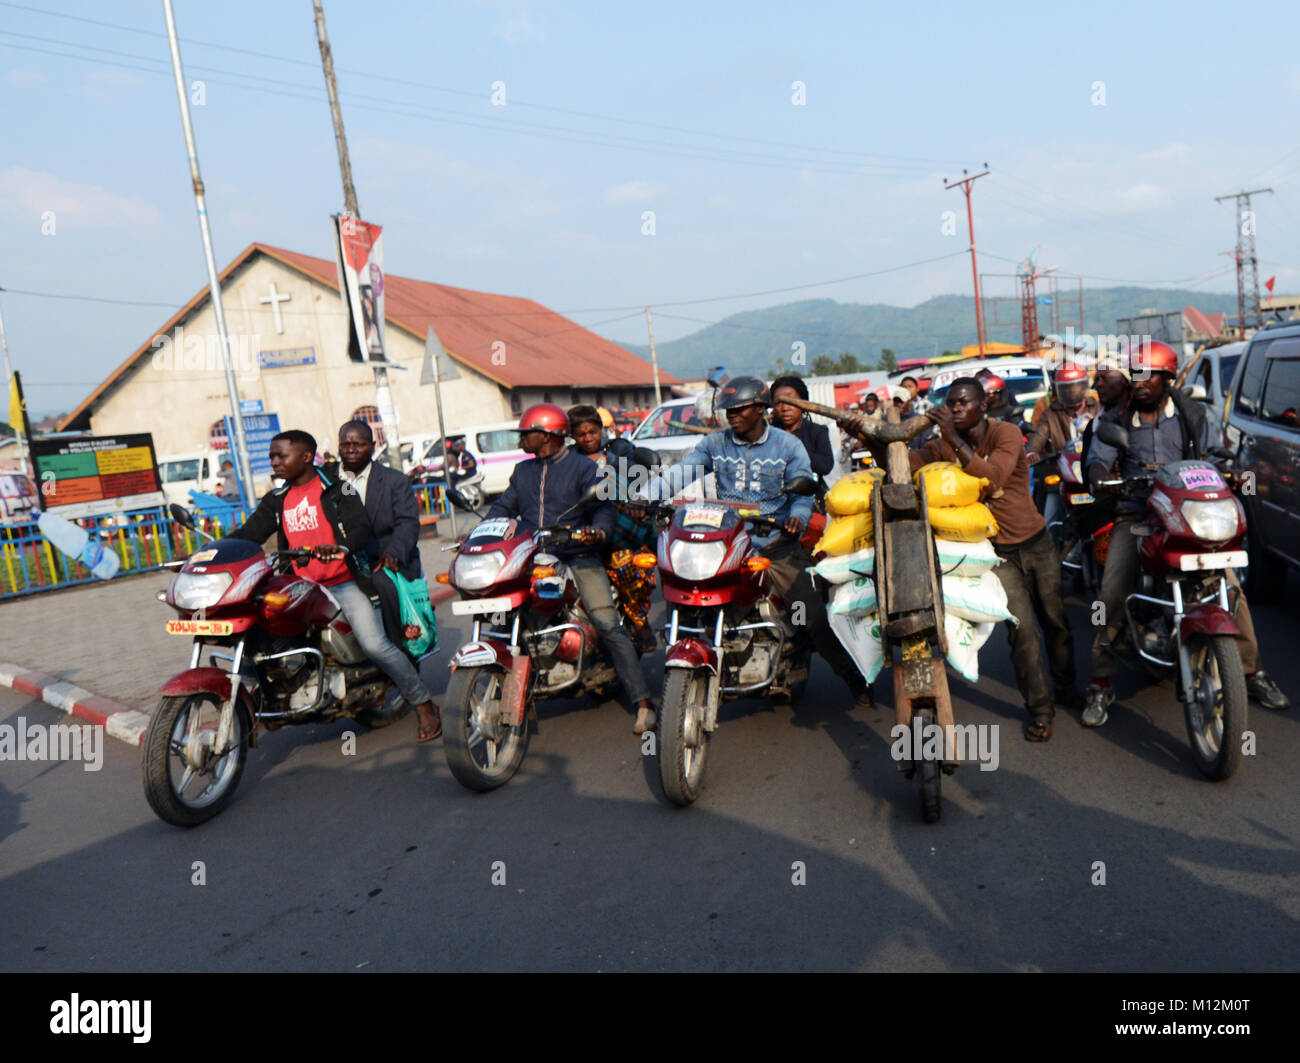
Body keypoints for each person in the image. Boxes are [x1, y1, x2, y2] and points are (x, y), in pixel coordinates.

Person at [851, 377, 1079, 741]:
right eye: (951, 404)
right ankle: (1040, 708)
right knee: (1022, 631)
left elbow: (992, 478)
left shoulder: (1005, 434)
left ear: (982, 405)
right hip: (996, 555)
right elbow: (906, 466)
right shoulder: (942, 445)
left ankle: (1067, 687)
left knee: (1056, 622)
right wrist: (868, 439)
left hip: (1035, 543)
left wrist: (953, 440)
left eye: (963, 403)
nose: (955, 409)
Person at [1082, 341, 1289, 724]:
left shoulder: (1193, 414)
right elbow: (1099, 458)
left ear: (1168, 377)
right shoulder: (1116, 420)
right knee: (1109, 594)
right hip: (1138, 515)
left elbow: (1214, 455)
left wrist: (1230, 471)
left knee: (1231, 589)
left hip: (1188, 513)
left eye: (1149, 376)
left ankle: (1252, 671)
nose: (1139, 383)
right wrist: (1098, 476)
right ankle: (1099, 683)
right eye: (1136, 375)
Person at [644, 376, 874, 710]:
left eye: (739, 409)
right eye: (728, 409)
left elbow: (804, 483)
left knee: (813, 617)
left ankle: (852, 677)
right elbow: (682, 472)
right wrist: (645, 496)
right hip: (728, 542)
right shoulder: (715, 444)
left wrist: (797, 514)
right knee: (686, 587)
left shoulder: (787, 445)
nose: (731, 415)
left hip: (776, 544)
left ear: (760, 408)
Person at [231, 430, 443, 739]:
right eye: (272, 457)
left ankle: (423, 704)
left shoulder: (337, 489)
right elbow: (249, 533)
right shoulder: (276, 499)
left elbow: (360, 527)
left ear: (305, 457)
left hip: (341, 581)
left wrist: (342, 548)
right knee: (263, 632)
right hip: (299, 584)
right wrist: (209, 553)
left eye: (281, 456)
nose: (274, 462)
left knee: (374, 644)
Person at [476, 404, 659, 734]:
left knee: (606, 622)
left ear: (545, 435)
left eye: (525, 433)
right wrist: (478, 531)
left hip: (578, 555)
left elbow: (602, 506)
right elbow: (505, 506)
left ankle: (643, 702)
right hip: (534, 557)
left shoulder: (582, 468)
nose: (521, 439)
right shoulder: (523, 472)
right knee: (511, 612)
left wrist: (598, 531)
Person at [326, 420, 443, 743]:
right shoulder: (326, 480)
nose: (351, 450)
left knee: (380, 639)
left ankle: (422, 703)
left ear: (372, 447)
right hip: (337, 565)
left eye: (359, 444)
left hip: (383, 561)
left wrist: (394, 552)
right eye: (345, 444)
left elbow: (407, 522)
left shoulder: (393, 481)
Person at [568, 404, 658, 654]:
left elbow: (640, 486)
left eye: (592, 432)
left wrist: (638, 502)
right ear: (572, 435)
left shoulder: (620, 454)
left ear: (601, 430)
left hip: (620, 536)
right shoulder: (567, 460)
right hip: (578, 535)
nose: (588, 438)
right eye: (581, 434)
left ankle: (640, 623)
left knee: (630, 567)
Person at [1027, 362, 1101, 533]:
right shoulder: (1050, 413)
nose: (1072, 392)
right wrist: (1032, 451)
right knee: (1049, 519)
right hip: (1063, 474)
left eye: (1076, 386)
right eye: (1066, 388)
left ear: (1084, 386)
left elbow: (1109, 429)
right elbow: (1038, 437)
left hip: (1094, 470)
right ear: (1058, 390)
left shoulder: (1096, 405)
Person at [769, 375, 835, 479]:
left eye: (791, 402)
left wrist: (793, 450)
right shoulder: (767, 434)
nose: (785, 408)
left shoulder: (817, 431)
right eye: (779, 403)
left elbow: (825, 466)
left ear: (804, 403)